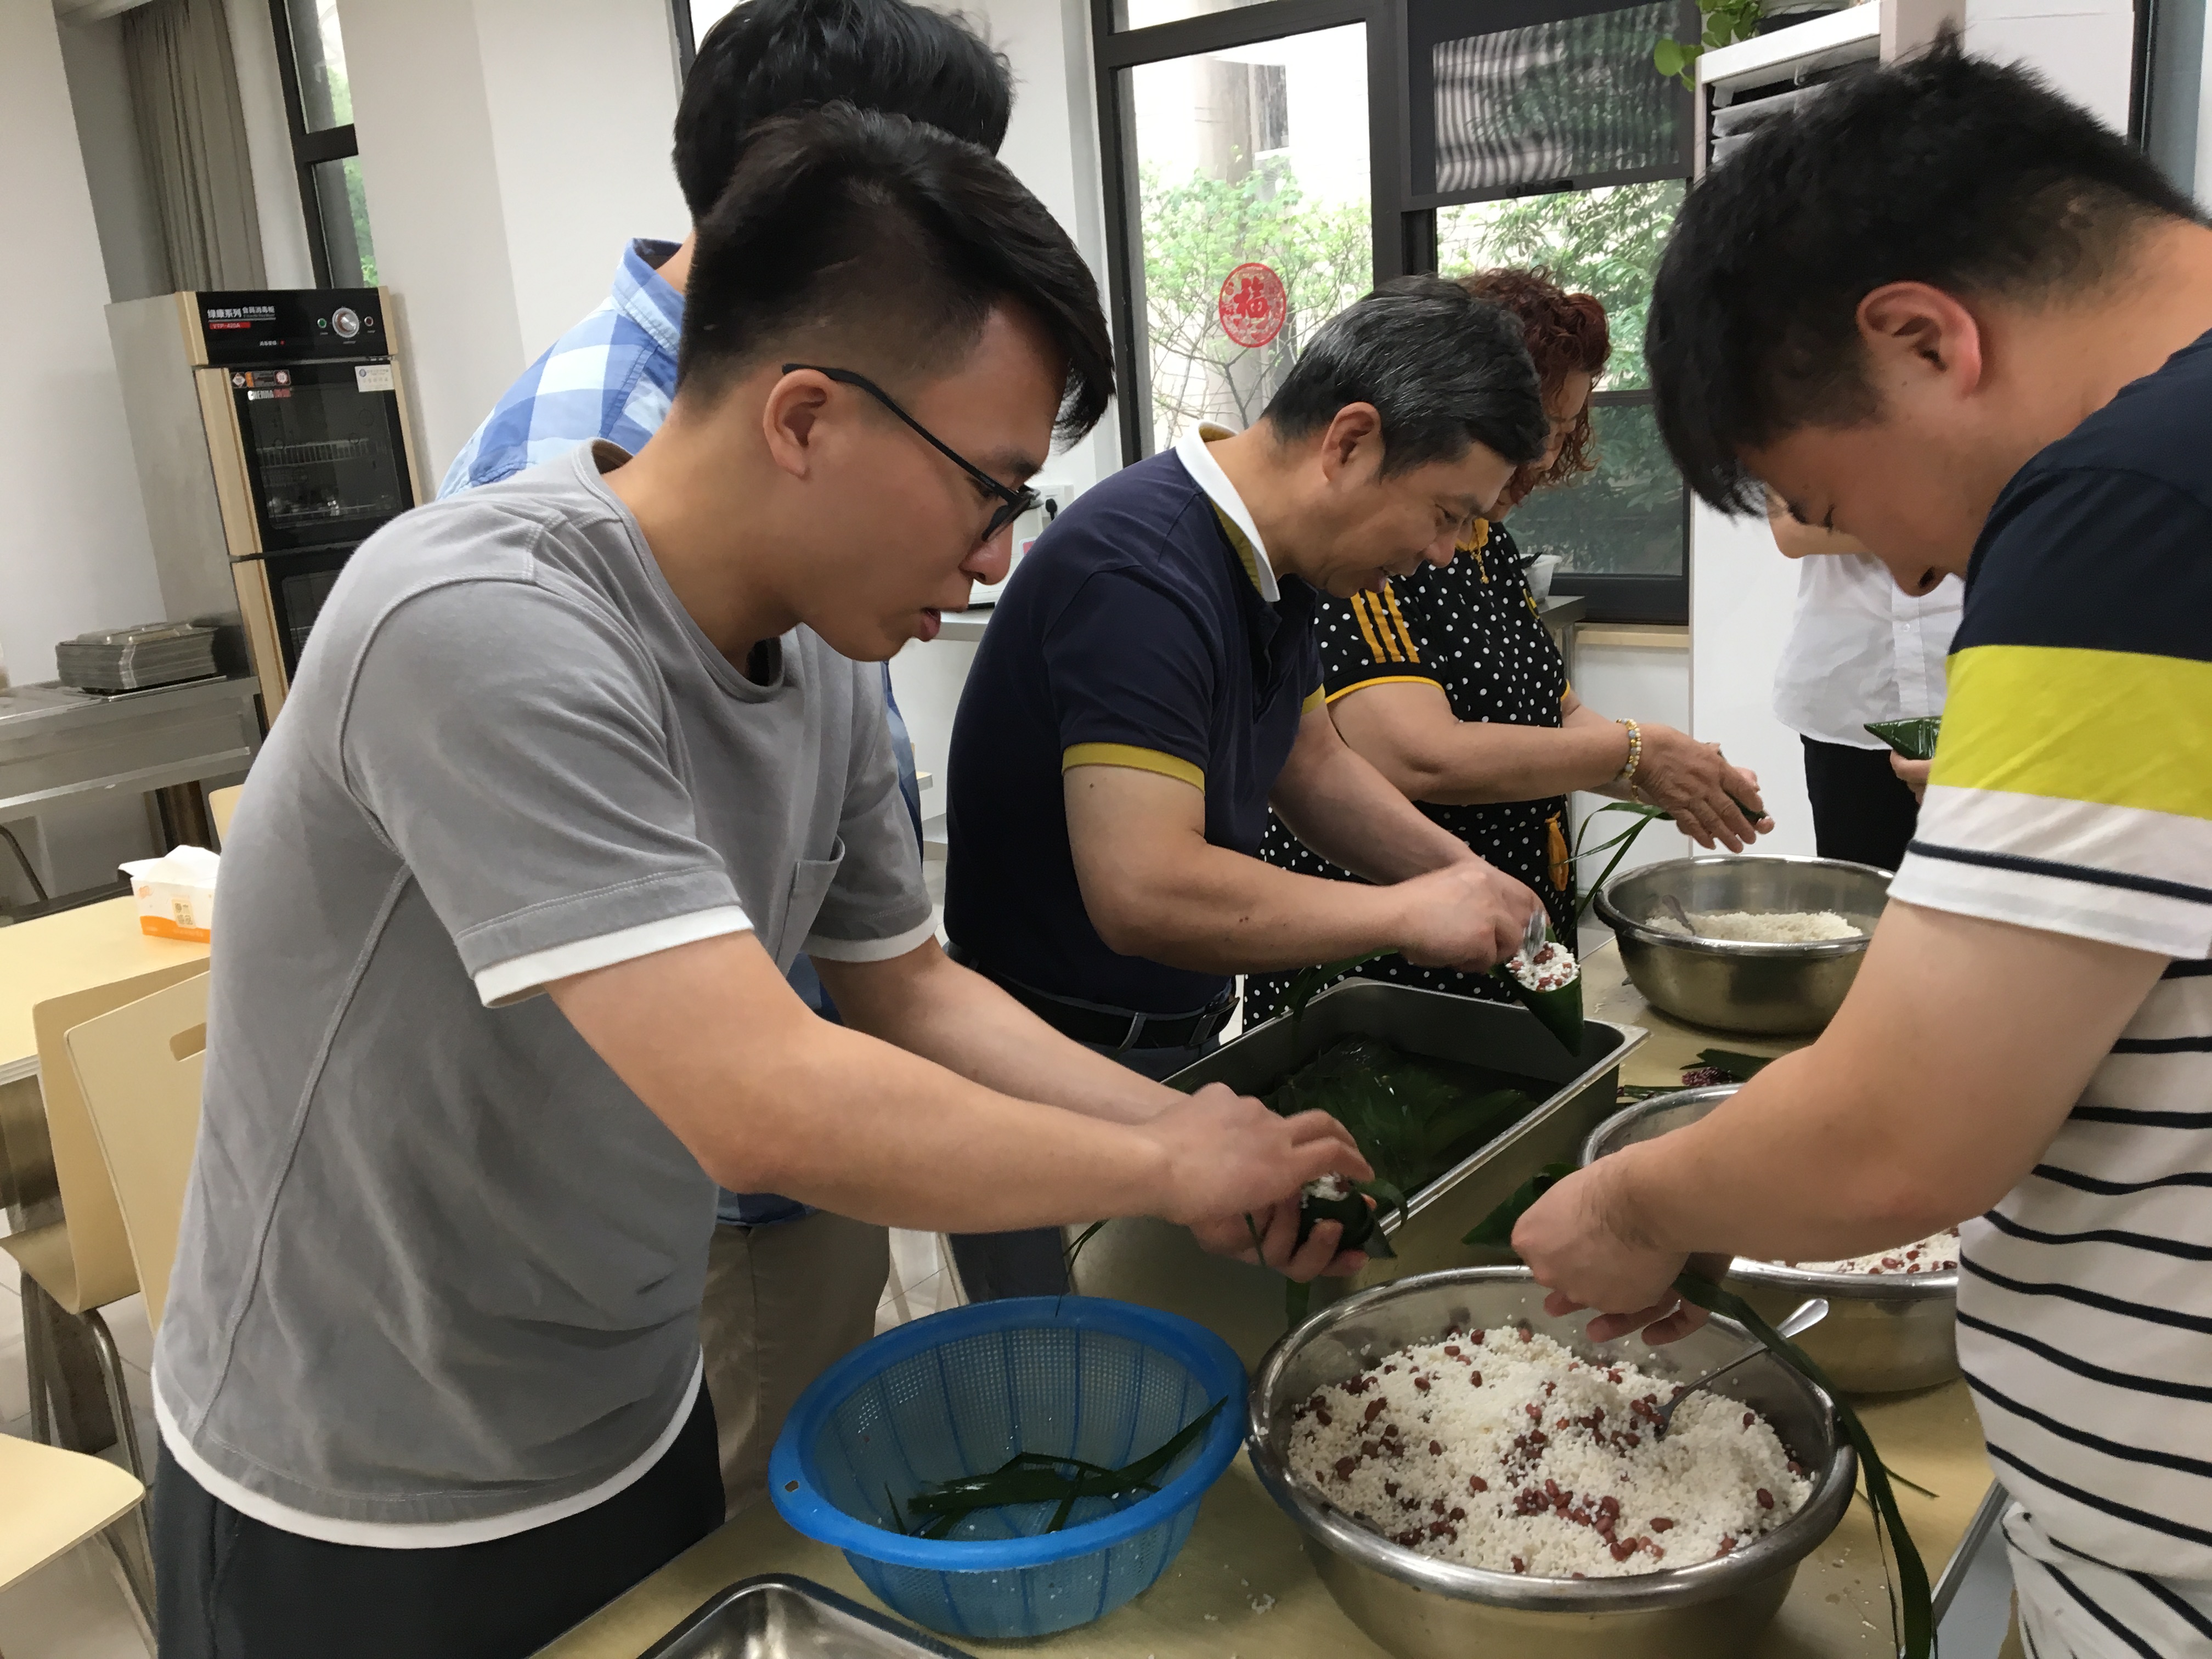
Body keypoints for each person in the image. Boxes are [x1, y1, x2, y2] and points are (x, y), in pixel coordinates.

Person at [150, 110, 1371, 1659]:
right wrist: (1163, 1169)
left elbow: (908, 990)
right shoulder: (477, 621)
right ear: (805, 418)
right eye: (991, 490)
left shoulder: (819, 662)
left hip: (629, 1409)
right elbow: (766, 1100)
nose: (998, 559)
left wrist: (1189, 1129)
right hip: (362, 1484)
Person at [1509, 41, 2212, 1654]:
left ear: (1923, 337)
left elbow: (1908, 1128)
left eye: (1830, 495)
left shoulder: (2131, 509)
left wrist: (1637, 1207)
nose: (1903, 576)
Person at [435, 0, 1015, 1511]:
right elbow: (709, 1055)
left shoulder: (802, 479)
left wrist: (1178, 1132)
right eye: (949, 213)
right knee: (741, 1527)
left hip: (807, 1095)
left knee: (821, 1479)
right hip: (685, 1178)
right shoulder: (577, 480)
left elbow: (891, 959)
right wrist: (1173, 1164)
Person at [940, 278, 1551, 1296]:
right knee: (1072, 1361)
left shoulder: (1279, 564)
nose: (1439, 554)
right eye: (1445, 514)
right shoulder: (1142, 572)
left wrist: (1462, 875)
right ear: (1349, 442)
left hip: (1173, 1039)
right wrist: (1404, 913)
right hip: (1048, 1061)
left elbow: (1313, 765)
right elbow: (1145, 888)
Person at [1252, 269, 1768, 1016]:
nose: (1548, 456)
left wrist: (1668, 773)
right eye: (1542, 427)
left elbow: (1560, 712)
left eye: (1564, 432)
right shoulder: (1365, 552)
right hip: (1397, 961)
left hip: (1499, 923)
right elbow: (1413, 753)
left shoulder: (1486, 545)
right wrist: (1635, 751)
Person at [1769, 492, 1961, 870]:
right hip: (1852, 696)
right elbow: (1792, 530)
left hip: (1976, 684)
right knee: (1859, 893)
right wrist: (1950, 519)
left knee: (1993, 892)